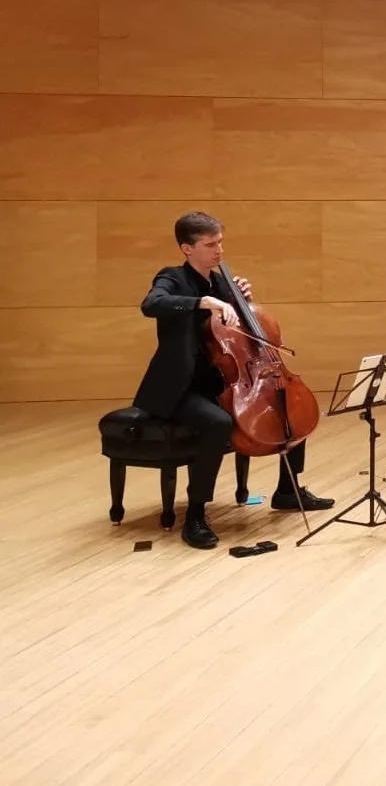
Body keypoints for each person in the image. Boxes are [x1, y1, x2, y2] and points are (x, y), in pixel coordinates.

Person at [134, 211, 334, 550]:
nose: (219, 251)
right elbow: (152, 304)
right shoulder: (172, 279)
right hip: (183, 387)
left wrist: (243, 300)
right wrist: (201, 302)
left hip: (226, 380)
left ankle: (287, 490)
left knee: (289, 401)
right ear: (187, 248)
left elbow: (242, 335)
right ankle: (196, 514)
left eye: (221, 242)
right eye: (210, 244)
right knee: (217, 423)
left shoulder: (223, 282)